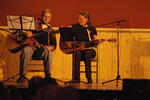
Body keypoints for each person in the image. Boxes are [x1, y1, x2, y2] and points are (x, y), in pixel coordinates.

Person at [17, 9, 56, 83]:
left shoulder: (51, 30)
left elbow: (54, 45)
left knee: (48, 51)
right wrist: (25, 33)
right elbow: (20, 31)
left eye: (48, 17)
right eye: (45, 16)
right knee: (26, 49)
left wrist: (50, 47)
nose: (46, 19)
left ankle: (48, 77)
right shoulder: (34, 24)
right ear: (41, 17)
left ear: (50, 19)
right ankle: (22, 76)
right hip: (30, 48)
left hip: (40, 51)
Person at [71, 10, 101, 83]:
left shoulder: (92, 28)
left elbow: (95, 41)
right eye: (78, 18)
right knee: (77, 52)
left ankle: (89, 77)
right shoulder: (75, 27)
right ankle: (76, 78)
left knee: (87, 53)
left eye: (81, 19)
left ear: (86, 19)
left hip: (90, 50)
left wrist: (97, 42)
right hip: (80, 50)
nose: (79, 20)